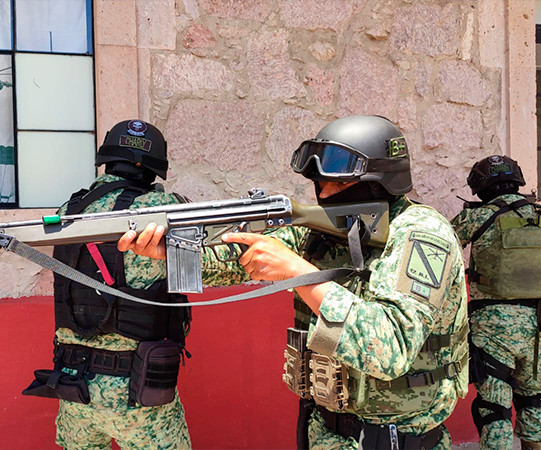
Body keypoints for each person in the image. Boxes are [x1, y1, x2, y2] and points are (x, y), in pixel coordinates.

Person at [119, 115, 469, 449]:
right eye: (319, 183)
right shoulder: (323, 231)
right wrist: (172, 248)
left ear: (381, 181)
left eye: (340, 183)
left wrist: (299, 272)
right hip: (324, 430)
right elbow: (237, 260)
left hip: (396, 439)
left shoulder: (422, 235)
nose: (326, 193)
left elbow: (389, 349)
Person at [23, 119, 192, 449]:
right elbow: (202, 268)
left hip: (74, 387)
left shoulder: (69, 209)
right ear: (154, 167)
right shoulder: (160, 209)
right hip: (139, 395)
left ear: (107, 159)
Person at [450, 155, 541, 450]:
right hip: (539, 324)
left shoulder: (478, 217)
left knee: (494, 406)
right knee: (533, 398)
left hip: (493, 327)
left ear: (481, 185)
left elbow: (442, 247)